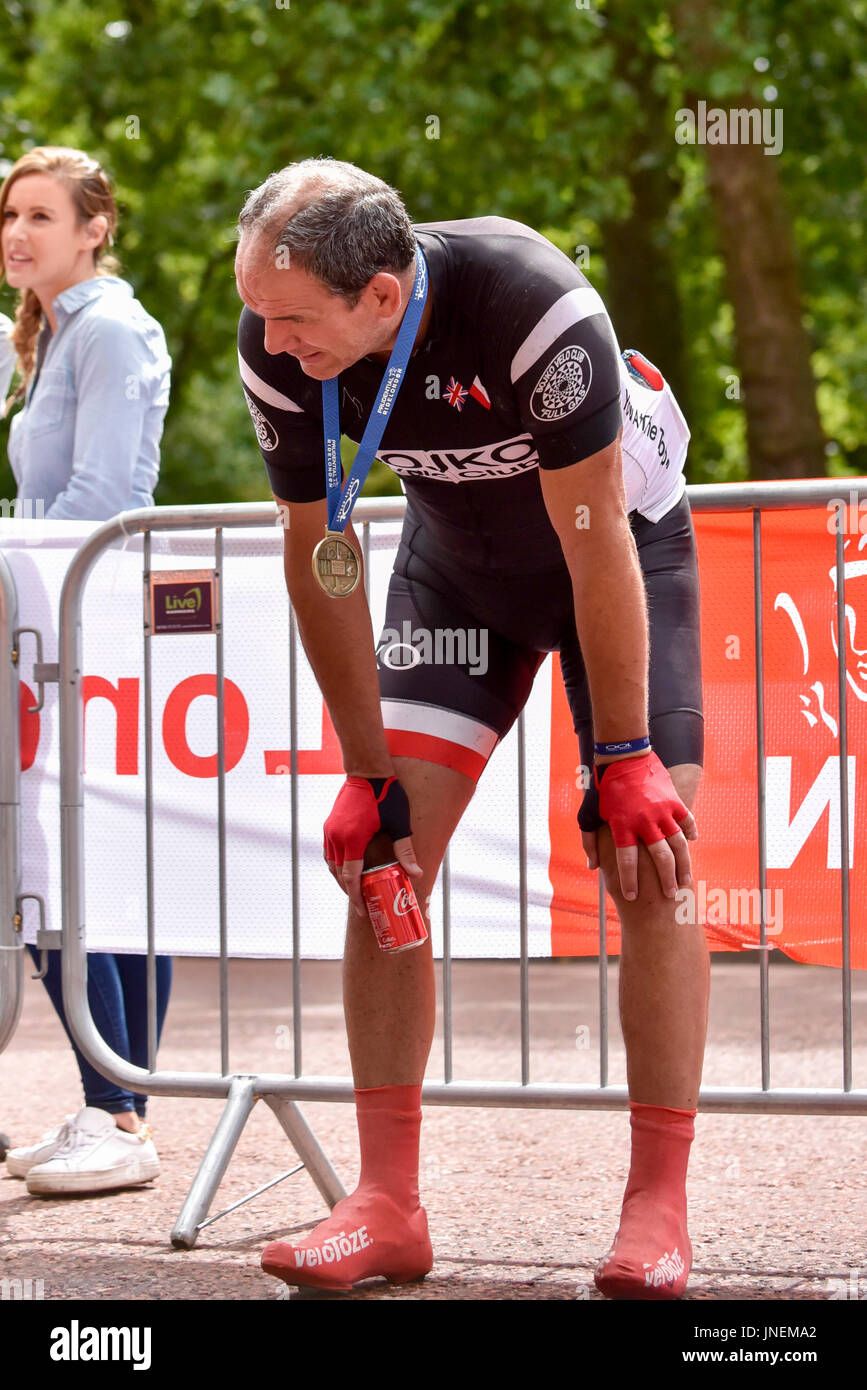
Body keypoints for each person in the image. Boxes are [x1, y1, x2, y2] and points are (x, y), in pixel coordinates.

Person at [235, 157, 707, 1299]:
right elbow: (317, 554)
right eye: (262, 315)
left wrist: (627, 751)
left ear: (381, 299)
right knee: (383, 862)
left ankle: (657, 1210)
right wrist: (363, 771)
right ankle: (387, 1204)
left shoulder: (533, 304)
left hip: (614, 563)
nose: (273, 343)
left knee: (649, 865)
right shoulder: (280, 340)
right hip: (456, 581)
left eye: (295, 322)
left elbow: (596, 540)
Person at [1, 147, 172, 1194]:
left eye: (42, 215)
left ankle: (115, 1110)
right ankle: (119, 1104)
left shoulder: (109, 328)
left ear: (95, 225)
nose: (17, 234)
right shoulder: (57, 332)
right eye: (10, 216)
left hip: (78, 624)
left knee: (51, 868)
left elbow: (103, 493)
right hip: (49, 623)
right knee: (77, 863)